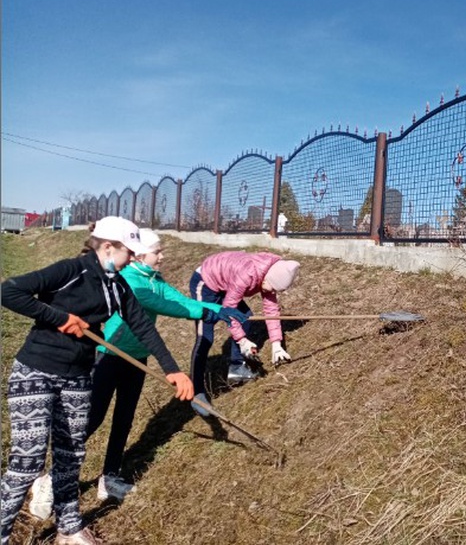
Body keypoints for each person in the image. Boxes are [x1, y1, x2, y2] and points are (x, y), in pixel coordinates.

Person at [25, 229, 249, 520]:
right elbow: (166, 306)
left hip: (137, 359)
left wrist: (220, 309)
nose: (162, 256)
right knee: (92, 419)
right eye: (157, 252)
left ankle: (110, 478)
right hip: (110, 356)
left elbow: (180, 299)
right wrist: (211, 313)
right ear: (140, 255)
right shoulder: (130, 280)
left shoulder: (154, 279)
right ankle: (50, 480)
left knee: (124, 419)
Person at [0, 217, 194, 545]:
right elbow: (9, 291)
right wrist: (59, 318)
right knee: (28, 460)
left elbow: (143, 327)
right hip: (36, 372)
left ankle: (68, 527)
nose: (132, 258)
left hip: (77, 377)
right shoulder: (71, 270)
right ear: (107, 247)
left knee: (71, 455)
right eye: (128, 252)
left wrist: (172, 369)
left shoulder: (117, 285)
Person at [189, 251, 300, 414]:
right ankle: (196, 392)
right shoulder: (247, 274)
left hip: (227, 282)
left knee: (246, 319)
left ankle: (236, 368)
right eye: (272, 287)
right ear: (267, 279)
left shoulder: (271, 273)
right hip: (205, 282)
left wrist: (276, 344)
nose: (272, 291)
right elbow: (230, 311)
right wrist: (242, 340)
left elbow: (271, 310)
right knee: (205, 337)